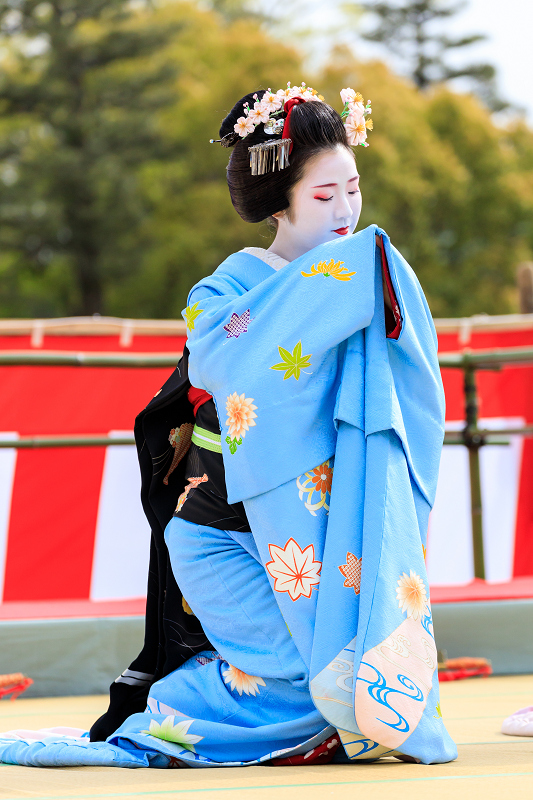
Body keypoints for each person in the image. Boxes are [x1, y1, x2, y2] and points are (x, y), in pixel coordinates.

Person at [0, 83, 457, 768]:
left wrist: (355, 277)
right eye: (323, 196)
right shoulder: (228, 291)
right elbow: (223, 358)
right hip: (218, 530)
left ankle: (319, 723)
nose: (346, 212)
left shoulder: (367, 276)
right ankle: (178, 717)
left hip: (314, 529)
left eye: (353, 189)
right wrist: (340, 281)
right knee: (324, 684)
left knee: (346, 674)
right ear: (279, 199)